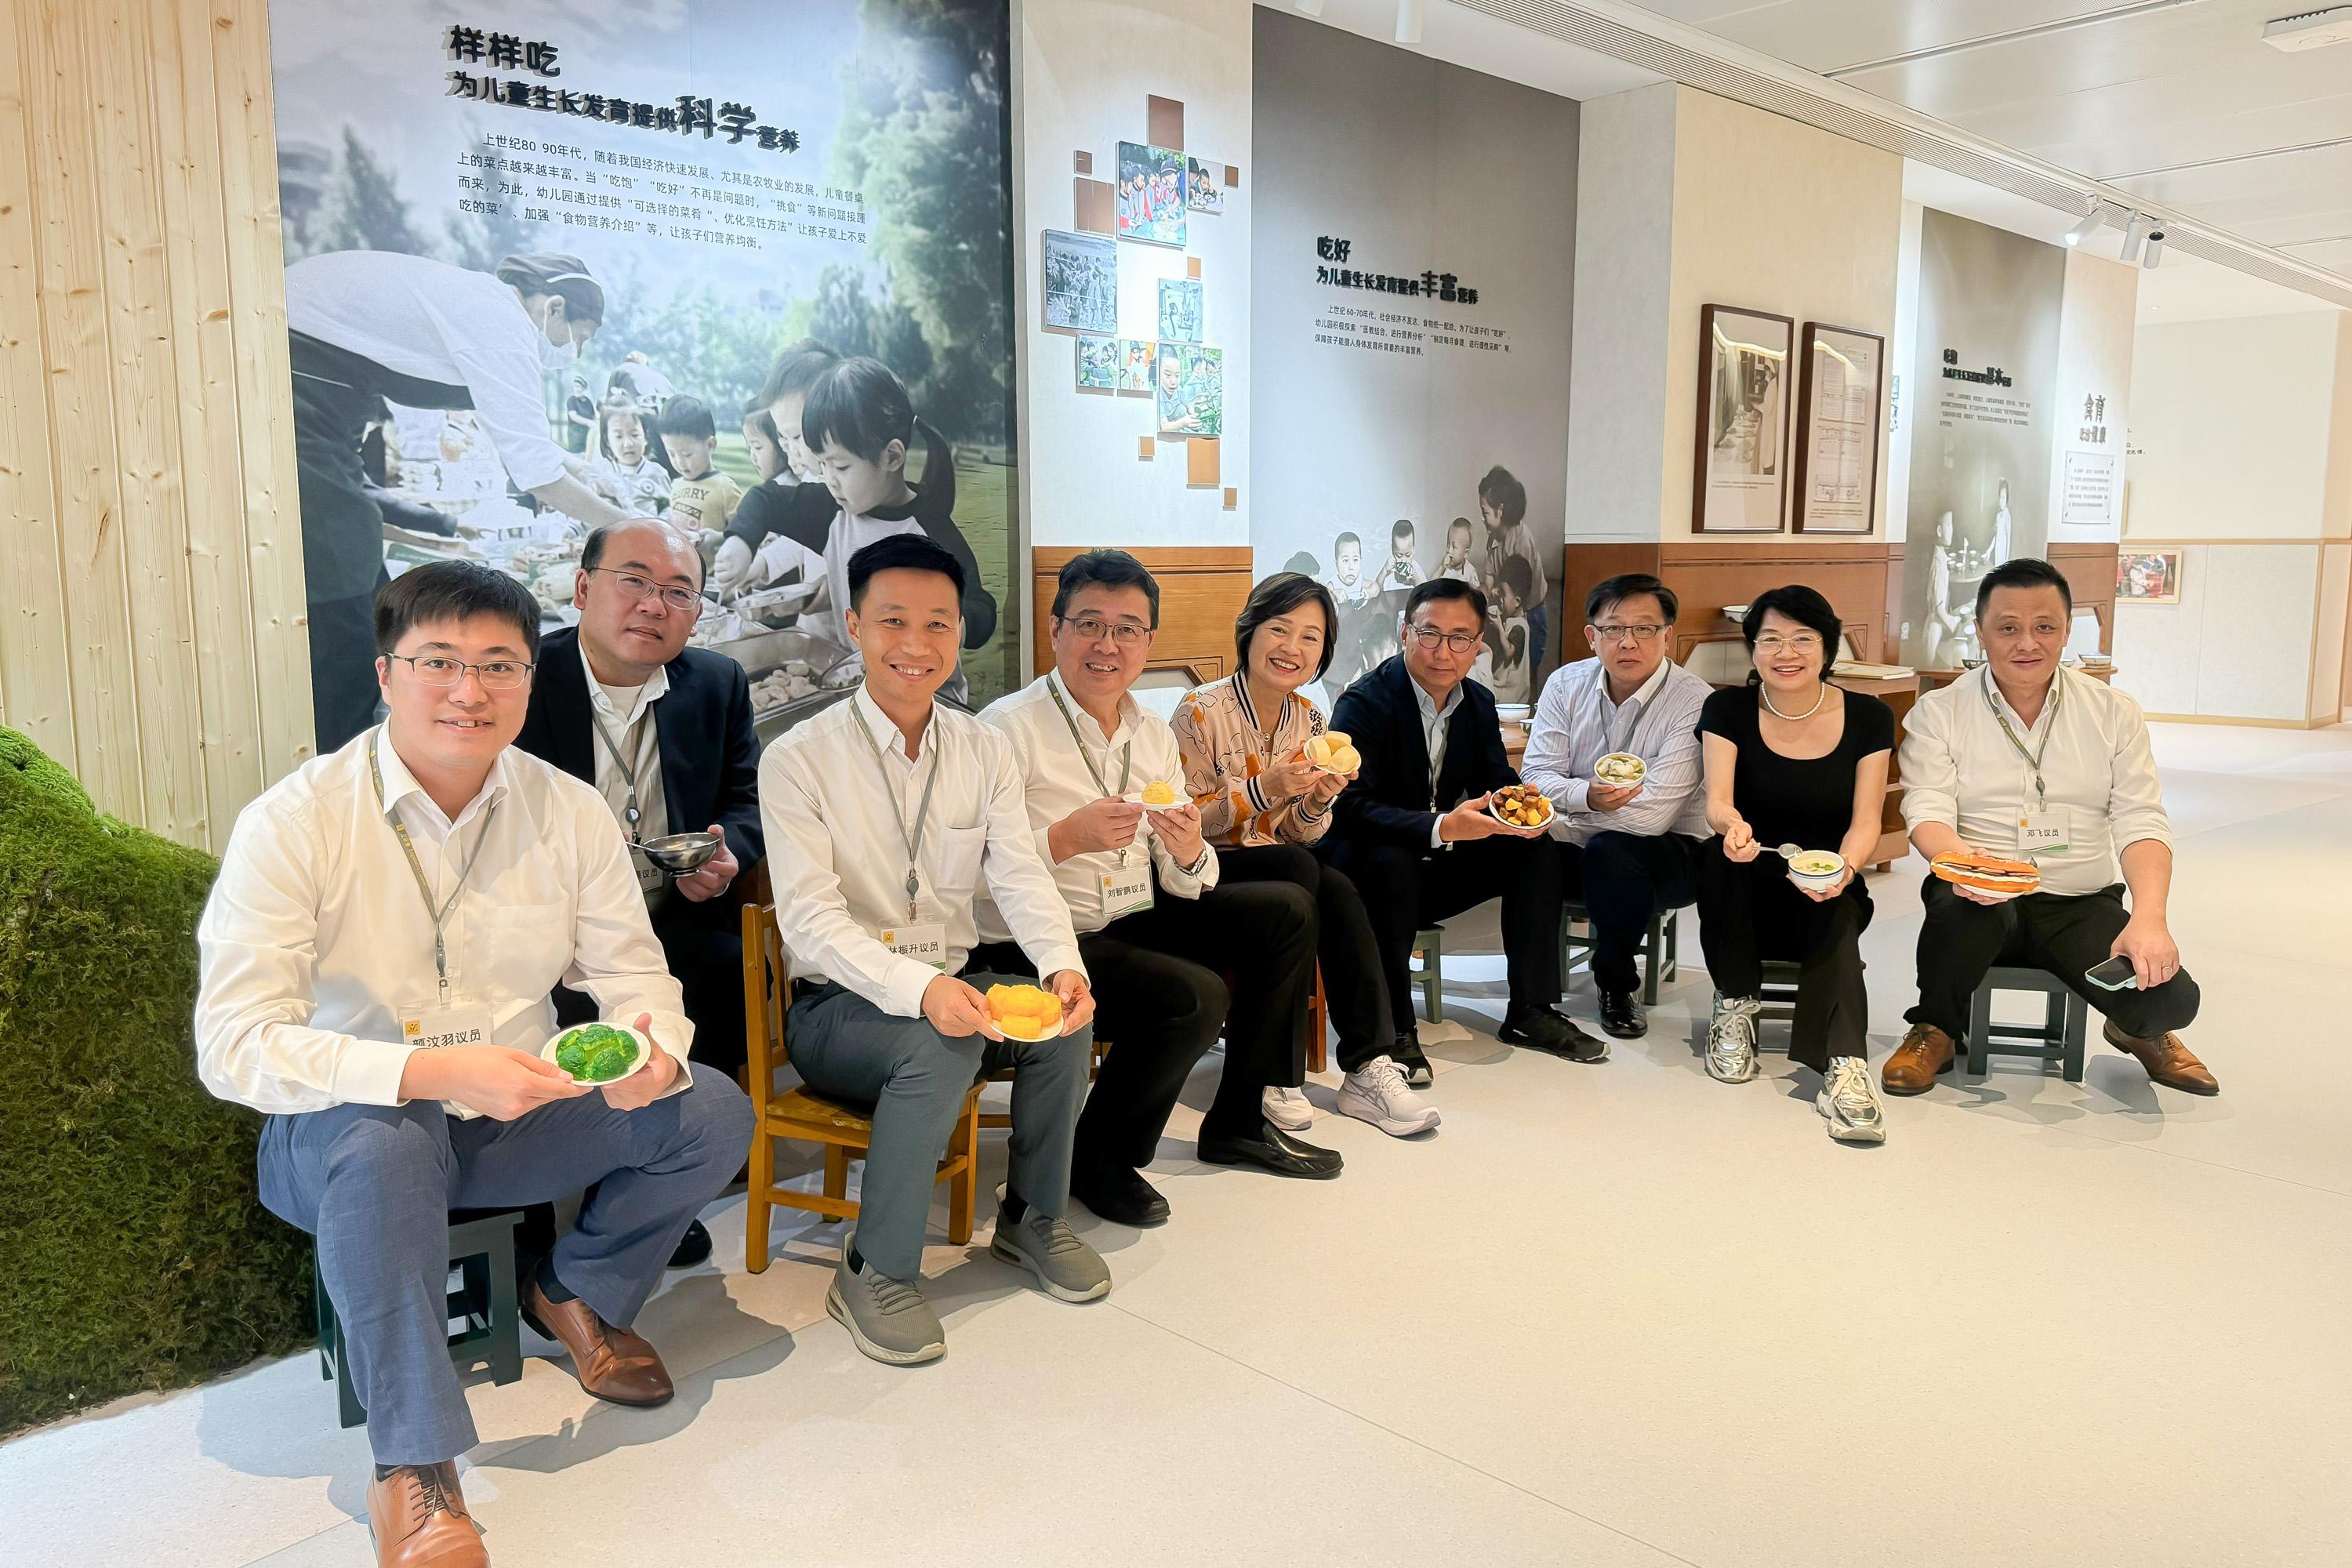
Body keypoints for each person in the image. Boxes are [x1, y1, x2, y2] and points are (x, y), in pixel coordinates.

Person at [192, 562, 753, 1568]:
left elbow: (635, 974)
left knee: (707, 1107)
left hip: (512, 1119)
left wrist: (649, 1050)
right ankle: (414, 1465)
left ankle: (575, 1289)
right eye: (439, 661)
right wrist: (431, 1073)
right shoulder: (297, 818)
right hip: (336, 1134)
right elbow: (233, 1044)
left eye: (498, 664)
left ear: (528, 684)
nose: (469, 689)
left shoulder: (568, 810)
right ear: (386, 672)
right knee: (384, 1138)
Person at [758, 535, 1109, 1367]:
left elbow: (1020, 872)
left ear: (959, 634)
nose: (916, 645)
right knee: (943, 1034)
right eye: (893, 621)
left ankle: (1033, 1217)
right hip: (837, 1009)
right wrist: (919, 989)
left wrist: (1064, 963)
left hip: (944, 983)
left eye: (938, 624)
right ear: (853, 625)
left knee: (1061, 1017)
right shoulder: (797, 759)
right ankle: (873, 1268)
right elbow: (808, 924)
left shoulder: (982, 747)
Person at [969, 550, 1325, 1221]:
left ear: (1149, 641)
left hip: (1129, 913)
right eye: (1090, 624)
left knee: (1287, 906)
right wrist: (1067, 839)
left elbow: (1181, 879)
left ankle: (1239, 1118)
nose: (1109, 645)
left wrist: (1190, 850)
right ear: (1055, 630)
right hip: (1038, 940)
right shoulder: (1004, 732)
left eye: (1128, 628)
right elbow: (966, 885)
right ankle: (1095, 1158)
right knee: (1195, 995)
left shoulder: (1150, 731)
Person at [513, 520, 762, 1265]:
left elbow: (748, 803)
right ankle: (527, 1213)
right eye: (635, 581)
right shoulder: (525, 678)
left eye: (678, 592)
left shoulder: (716, 683)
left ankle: (656, 1188)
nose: (654, 605)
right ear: (585, 587)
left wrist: (727, 852)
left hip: (669, 911)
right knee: (524, 1003)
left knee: (723, 974)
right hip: (547, 925)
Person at [282, 249, 644, 753]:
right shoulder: (504, 319)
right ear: (554, 308)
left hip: (318, 395)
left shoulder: (479, 305)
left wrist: (576, 467)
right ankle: (337, 784)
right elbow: (537, 473)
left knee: (368, 615)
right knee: (345, 633)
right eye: (579, 337)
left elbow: (522, 440)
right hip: (301, 389)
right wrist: (636, 529)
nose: (574, 352)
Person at [1882, 558, 2214, 1097]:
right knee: (1957, 909)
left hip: (2079, 903)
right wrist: (1971, 866)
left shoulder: (2112, 711)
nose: (2027, 643)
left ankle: (2136, 1028)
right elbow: (1927, 811)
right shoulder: (1940, 711)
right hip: (1981, 891)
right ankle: (1936, 1027)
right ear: (1981, 632)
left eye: (2045, 627)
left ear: (2065, 632)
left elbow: (2141, 817)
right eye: (2008, 627)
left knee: (2171, 1000)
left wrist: (2150, 919)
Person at [1171, 573, 1407, 1152]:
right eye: (1279, 630)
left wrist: (1321, 797)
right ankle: (1279, 1074)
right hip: (1204, 872)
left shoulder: (1311, 720)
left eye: (1310, 637)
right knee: (1306, 874)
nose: (1292, 648)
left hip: (1279, 870)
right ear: (1249, 632)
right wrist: (1261, 789)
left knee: (1331, 885)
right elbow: (1184, 823)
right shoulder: (1198, 712)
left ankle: (1369, 1064)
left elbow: (1301, 831)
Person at [1325, 579, 1599, 1075]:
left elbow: (1496, 781)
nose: (1442, 652)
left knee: (1539, 851)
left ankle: (1531, 1011)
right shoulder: (1364, 701)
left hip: (1436, 861)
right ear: (1405, 632)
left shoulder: (1476, 701)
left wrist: (1524, 809)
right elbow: (1348, 806)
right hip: (1369, 867)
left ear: (1477, 648)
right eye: (1430, 634)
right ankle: (1394, 1028)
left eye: (1460, 639)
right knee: (1392, 862)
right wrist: (1440, 826)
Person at [1692, 585, 1893, 1143]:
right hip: (1749, 868)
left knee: (1837, 909)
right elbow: (1717, 800)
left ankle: (1846, 1067)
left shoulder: (1869, 717)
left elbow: (1867, 821)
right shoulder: (1727, 708)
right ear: (1752, 649)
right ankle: (1735, 1008)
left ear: (1828, 648)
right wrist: (1731, 828)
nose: (1787, 653)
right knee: (1715, 859)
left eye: (1803, 639)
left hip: (1826, 876)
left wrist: (1846, 868)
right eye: (1771, 639)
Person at [734, 356, 995, 699]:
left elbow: (981, 607)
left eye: (840, 466)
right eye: (822, 463)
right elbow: (766, 501)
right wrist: (739, 541)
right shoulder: (831, 510)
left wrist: (951, 626)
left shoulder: (929, 531)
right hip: (860, 689)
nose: (828, 479)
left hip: (931, 697)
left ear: (892, 458)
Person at [1522, 573, 1711, 1042]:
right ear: (1592, 636)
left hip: (1670, 854)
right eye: (1613, 629)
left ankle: (1615, 985)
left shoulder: (1695, 701)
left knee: (1610, 852)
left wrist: (1565, 817)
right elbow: (1535, 773)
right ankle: (1530, 998)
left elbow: (1652, 816)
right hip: (1587, 838)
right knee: (1522, 849)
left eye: (1645, 629)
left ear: (1668, 635)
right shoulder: (1566, 684)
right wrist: (1585, 796)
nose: (1628, 642)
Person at [713, 338, 840, 597]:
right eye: (783, 438)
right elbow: (800, 540)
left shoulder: (851, 493)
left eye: (796, 437)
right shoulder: (813, 480)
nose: (789, 450)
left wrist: (839, 586)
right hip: (817, 627)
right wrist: (762, 564)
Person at [1477, 466, 1548, 688]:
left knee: (1527, 665)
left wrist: (1504, 607)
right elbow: (1488, 581)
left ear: (1500, 510)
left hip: (1530, 609)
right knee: (1506, 664)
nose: (1482, 519)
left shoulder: (1521, 540)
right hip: (1509, 604)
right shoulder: (1494, 539)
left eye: (1485, 513)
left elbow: (1520, 590)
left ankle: (1530, 704)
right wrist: (1476, 595)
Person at [655, 394, 742, 572]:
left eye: (687, 454)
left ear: (710, 445)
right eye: (672, 454)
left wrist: (720, 537)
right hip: (679, 574)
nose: (679, 462)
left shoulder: (725, 487)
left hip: (712, 579)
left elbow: (744, 534)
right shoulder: (676, 485)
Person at [589, 395, 672, 517]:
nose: (628, 444)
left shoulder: (657, 473)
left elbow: (671, 509)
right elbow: (587, 506)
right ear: (607, 441)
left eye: (634, 435)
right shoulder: (600, 473)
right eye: (619, 437)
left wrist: (660, 526)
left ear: (646, 437)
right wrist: (572, 530)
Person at [1370, 518, 1421, 595]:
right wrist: (1384, 571)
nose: (1403, 561)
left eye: (1408, 555)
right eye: (1399, 555)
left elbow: (1424, 592)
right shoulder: (1390, 569)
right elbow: (1377, 590)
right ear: (1392, 550)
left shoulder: (1415, 568)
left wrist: (1415, 578)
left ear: (1414, 549)